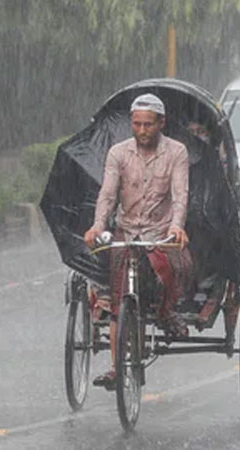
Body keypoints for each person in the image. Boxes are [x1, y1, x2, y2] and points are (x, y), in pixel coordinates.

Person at [84, 93, 194, 388]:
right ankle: (115, 367)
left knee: (176, 270)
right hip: (126, 231)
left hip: (160, 233)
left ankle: (167, 312)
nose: (142, 131)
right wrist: (97, 226)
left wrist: (176, 227)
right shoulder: (118, 153)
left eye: (148, 125)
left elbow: (180, 195)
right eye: (137, 124)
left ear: (161, 123)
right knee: (118, 299)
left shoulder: (177, 152)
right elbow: (107, 194)